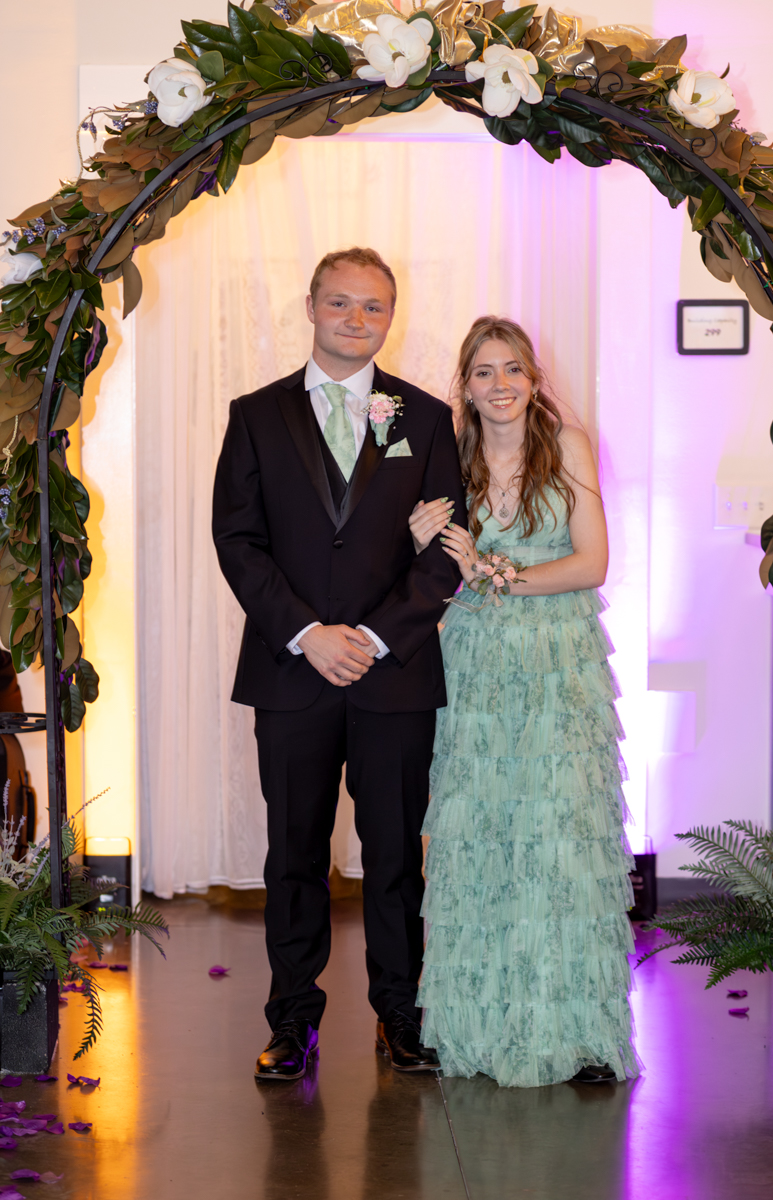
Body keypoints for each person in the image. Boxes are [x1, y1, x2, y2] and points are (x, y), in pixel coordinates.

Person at [212, 247, 466, 1081]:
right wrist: (306, 633)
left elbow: (448, 550)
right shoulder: (255, 415)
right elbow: (238, 541)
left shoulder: (425, 418)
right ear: (312, 307)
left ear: (391, 316)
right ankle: (292, 1023)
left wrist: (378, 637)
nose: (357, 319)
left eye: (373, 306)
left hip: (395, 674)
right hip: (292, 673)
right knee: (294, 857)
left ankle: (401, 1017)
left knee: (394, 858)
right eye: (341, 303)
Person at [410, 316, 640, 1088]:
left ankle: (578, 1035)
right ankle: (476, 1027)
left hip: (557, 661)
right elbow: (424, 568)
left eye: (512, 368)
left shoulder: (566, 444)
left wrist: (495, 573)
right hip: (475, 665)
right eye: (484, 371)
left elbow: (592, 562)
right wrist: (418, 538)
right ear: (466, 386)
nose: (500, 383)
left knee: (559, 837)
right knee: (482, 838)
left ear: (533, 378)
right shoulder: (449, 457)